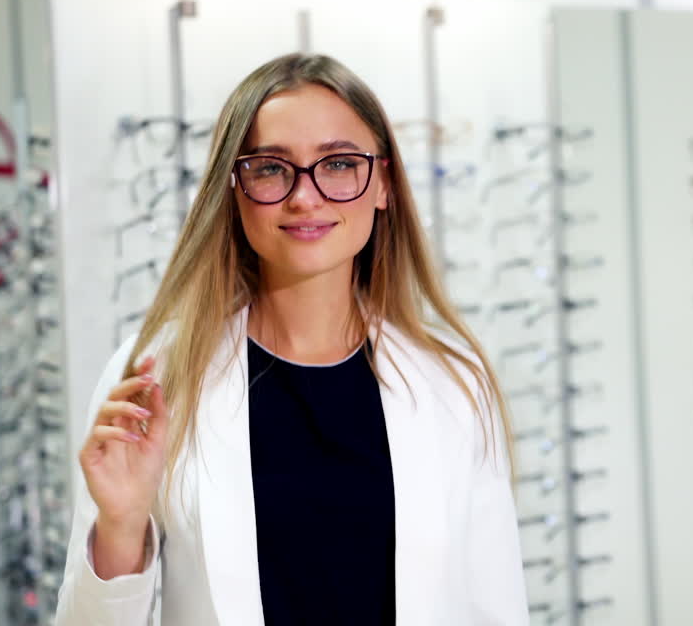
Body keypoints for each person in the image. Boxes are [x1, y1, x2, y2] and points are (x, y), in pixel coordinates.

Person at [54, 53, 529, 625]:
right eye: (271, 168)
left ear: (383, 184)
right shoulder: (157, 375)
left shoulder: (453, 383)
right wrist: (121, 526)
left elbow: (497, 607)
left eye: (339, 163)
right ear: (234, 189)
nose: (305, 196)